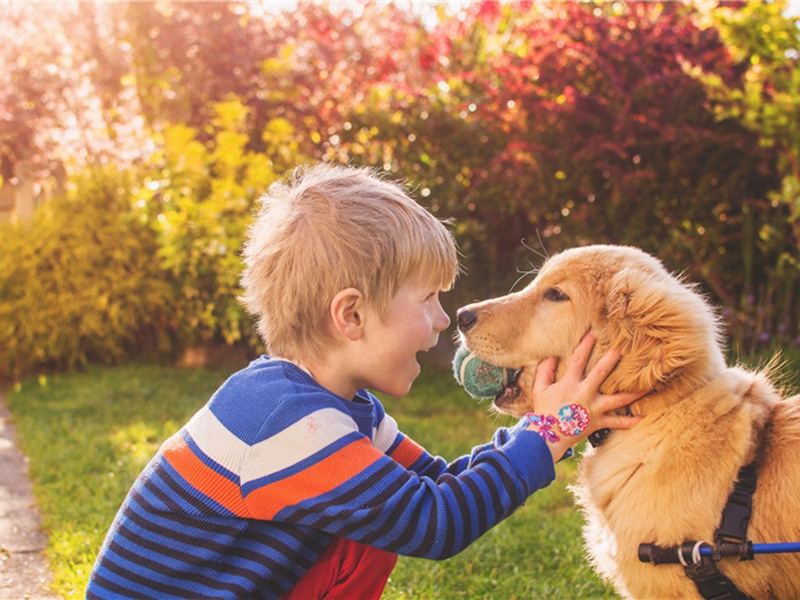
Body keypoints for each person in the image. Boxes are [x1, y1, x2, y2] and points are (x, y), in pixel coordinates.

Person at [86, 163, 642, 599]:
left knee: (371, 532)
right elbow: (437, 522)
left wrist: (546, 428)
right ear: (350, 316)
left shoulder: (342, 410)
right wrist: (553, 428)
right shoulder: (284, 422)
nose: (443, 321)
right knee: (374, 533)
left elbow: (438, 485)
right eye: (427, 299)